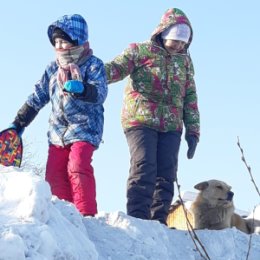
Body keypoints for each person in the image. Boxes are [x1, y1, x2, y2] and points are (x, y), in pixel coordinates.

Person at [105, 8, 200, 225]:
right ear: (164, 33)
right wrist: (91, 72)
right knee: (144, 165)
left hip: (172, 124)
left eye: (183, 42)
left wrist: (193, 131)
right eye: (176, 40)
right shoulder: (140, 51)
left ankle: (158, 221)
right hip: (140, 119)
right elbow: (116, 68)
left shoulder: (184, 62)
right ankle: (138, 218)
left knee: (166, 172)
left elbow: (190, 96)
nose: (179, 45)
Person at [8, 14, 108, 216]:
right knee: (54, 174)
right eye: (57, 42)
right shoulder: (53, 69)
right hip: (57, 132)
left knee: (77, 165)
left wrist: (83, 89)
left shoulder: (93, 65)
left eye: (65, 41)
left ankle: (86, 214)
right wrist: (19, 122)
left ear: (77, 41)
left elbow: (100, 92)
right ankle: (64, 217)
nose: (60, 46)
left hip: (85, 128)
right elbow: (38, 96)